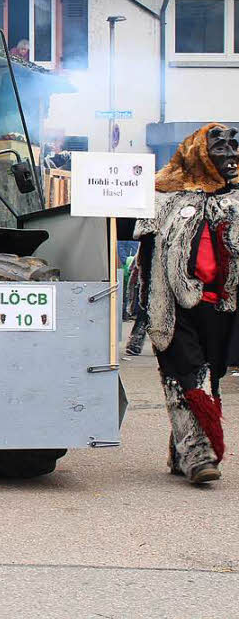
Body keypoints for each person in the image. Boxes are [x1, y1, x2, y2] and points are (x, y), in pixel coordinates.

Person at [134, 123, 239, 485]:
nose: (230, 153)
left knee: (209, 376)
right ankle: (199, 455)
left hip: (221, 307)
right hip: (173, 306)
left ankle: (182, 452)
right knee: (189, 376)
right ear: (198, 153)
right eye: (219, 146)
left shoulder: (236, 200)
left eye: (233, 146)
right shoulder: (164, 197)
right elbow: (145, 255)